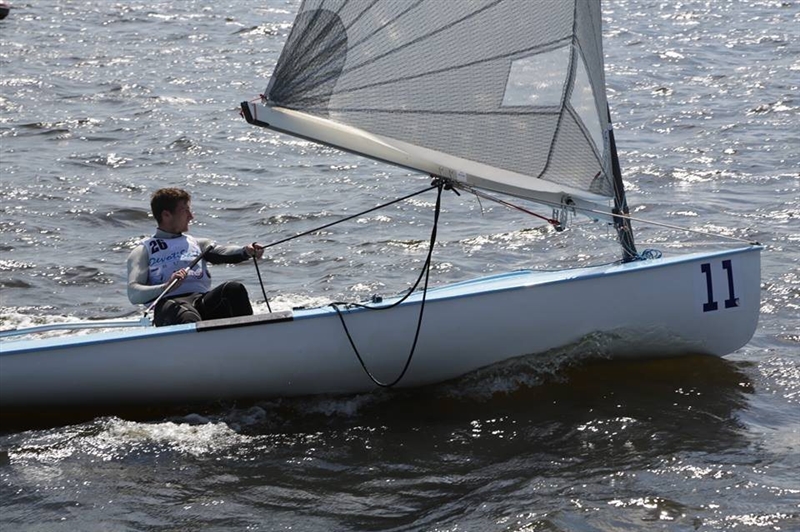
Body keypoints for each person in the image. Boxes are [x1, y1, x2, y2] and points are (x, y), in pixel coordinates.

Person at [127, 187, 264, 326]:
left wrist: (246, 250)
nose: (191, 216)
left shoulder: (199, 244)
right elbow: (134, 294)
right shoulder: (143, 251)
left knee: (234, 290)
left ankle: (250, 335)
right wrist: (166, 286)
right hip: (169, 306)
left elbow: (223, 252)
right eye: (185, 210)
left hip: (201, 302)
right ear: (166, 215)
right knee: (187, 315)